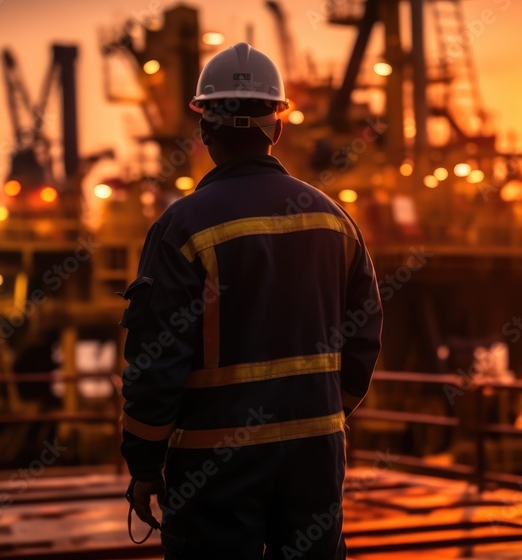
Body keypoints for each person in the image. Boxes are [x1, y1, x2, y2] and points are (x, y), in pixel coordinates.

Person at [119, 42, 382, 559]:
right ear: (278, 128)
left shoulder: (181, 227)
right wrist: (327, 411)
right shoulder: (333, 219)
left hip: (213, 463)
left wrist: (145, 466)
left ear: (205, 129)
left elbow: (157, 363)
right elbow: (365, 338)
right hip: (315, 454)